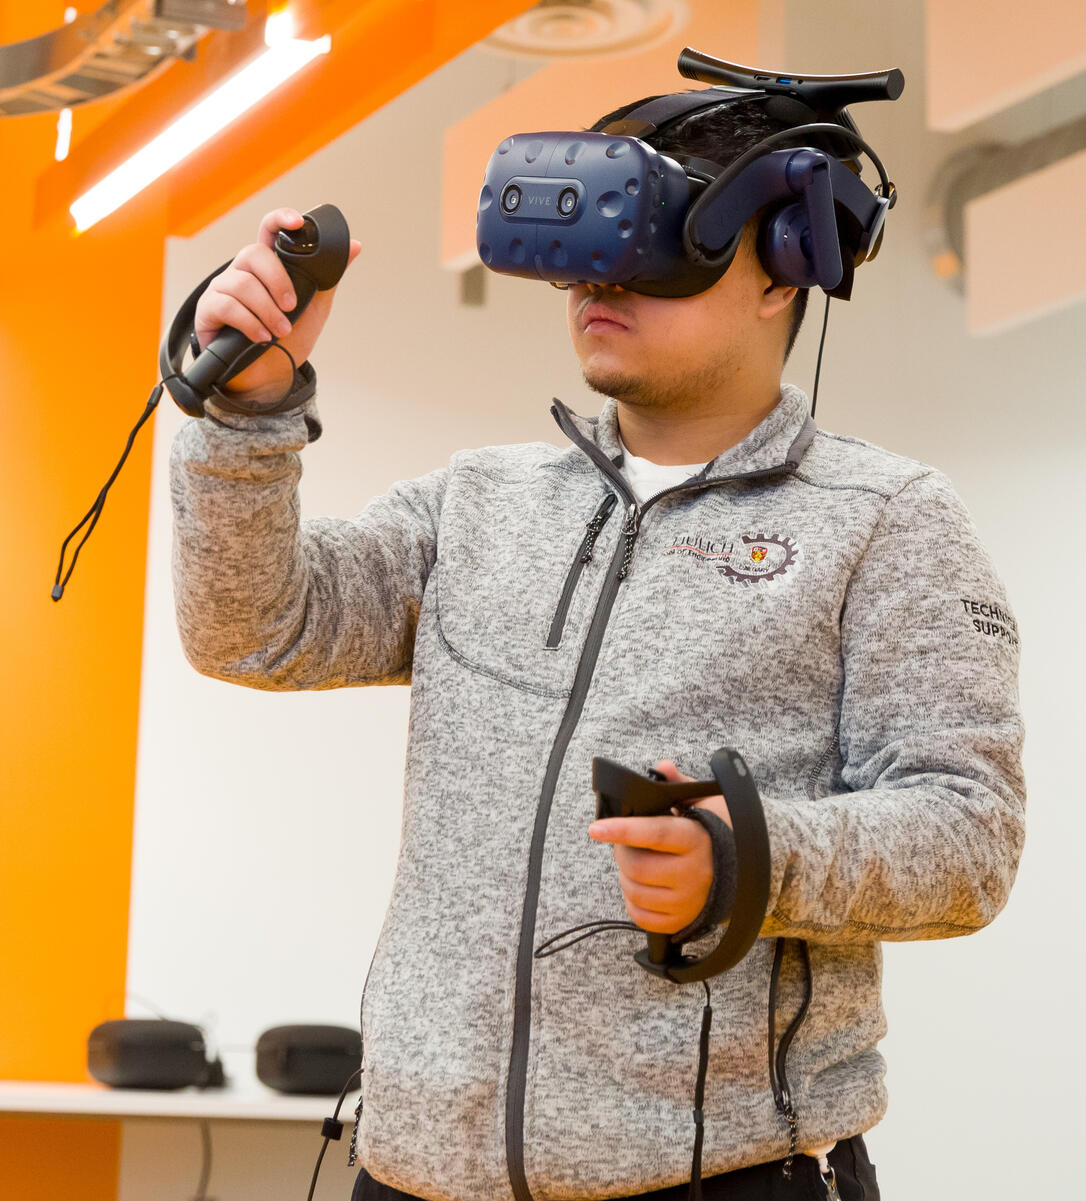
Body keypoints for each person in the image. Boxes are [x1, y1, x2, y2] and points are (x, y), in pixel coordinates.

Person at [170, 99, 1025, 1201]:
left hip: (717, 1176)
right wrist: (248, 413)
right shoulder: (479, 503)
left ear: (780, 267)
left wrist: (749, 855)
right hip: (413, 1170)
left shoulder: (886, 519)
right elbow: (255, 627)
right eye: (578, 256)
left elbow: (969, 835)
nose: (593, 286)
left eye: (646, 250)